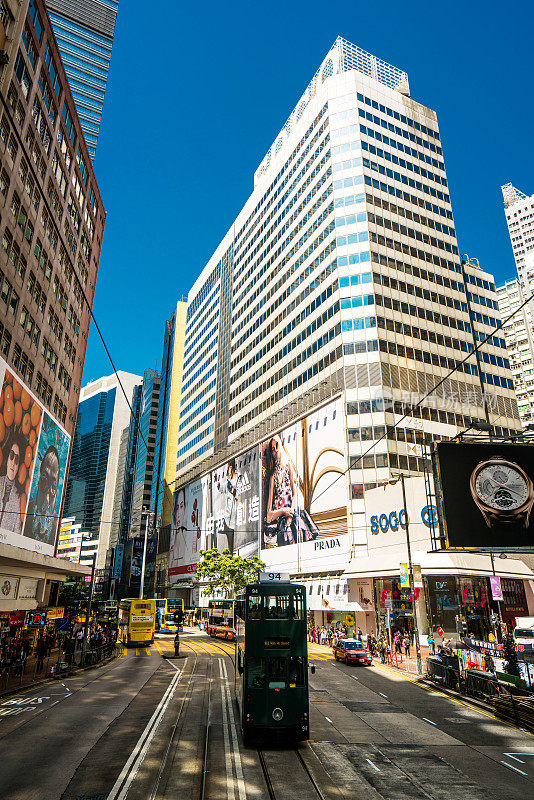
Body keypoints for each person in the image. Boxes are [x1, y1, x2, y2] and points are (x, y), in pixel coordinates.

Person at [263, 436, 318, 547]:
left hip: (294, 518)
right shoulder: (273, 477)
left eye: (276, 447)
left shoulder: (288, 467)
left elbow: (294, 494)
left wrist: (291, 513)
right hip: (282, 523)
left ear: (281, 447)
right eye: (272, 450)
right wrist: (284, 511)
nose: (275, 452)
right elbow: (269, 516)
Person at [23, 445, 60, 544]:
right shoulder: (26, 509)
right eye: (44, 478)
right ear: (38, 480)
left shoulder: (56, 524)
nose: (48, 489)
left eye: (53, 484)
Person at [0, 431, 25, 535]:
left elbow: (17, 533)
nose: (13, 462)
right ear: (7, 458)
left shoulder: (19, 498)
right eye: (11, 455)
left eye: (17, 459)